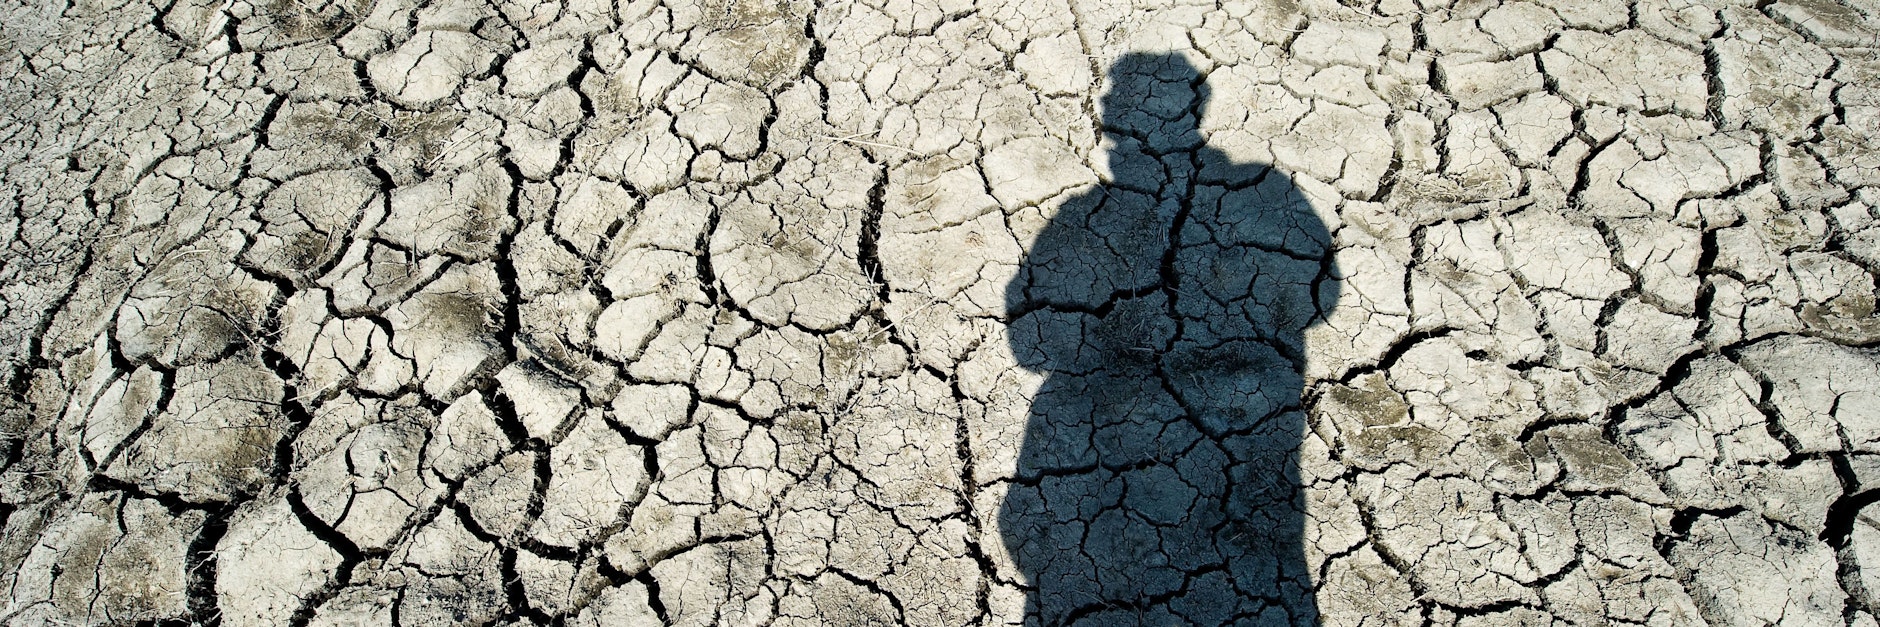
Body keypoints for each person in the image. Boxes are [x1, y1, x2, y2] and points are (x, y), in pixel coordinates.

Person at [999, 51, 1337, 626]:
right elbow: (1320, 301)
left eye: (1119, 100)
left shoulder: (1088, 210)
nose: (1111, 107)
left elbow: (1028, 346)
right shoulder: (1266, 189)